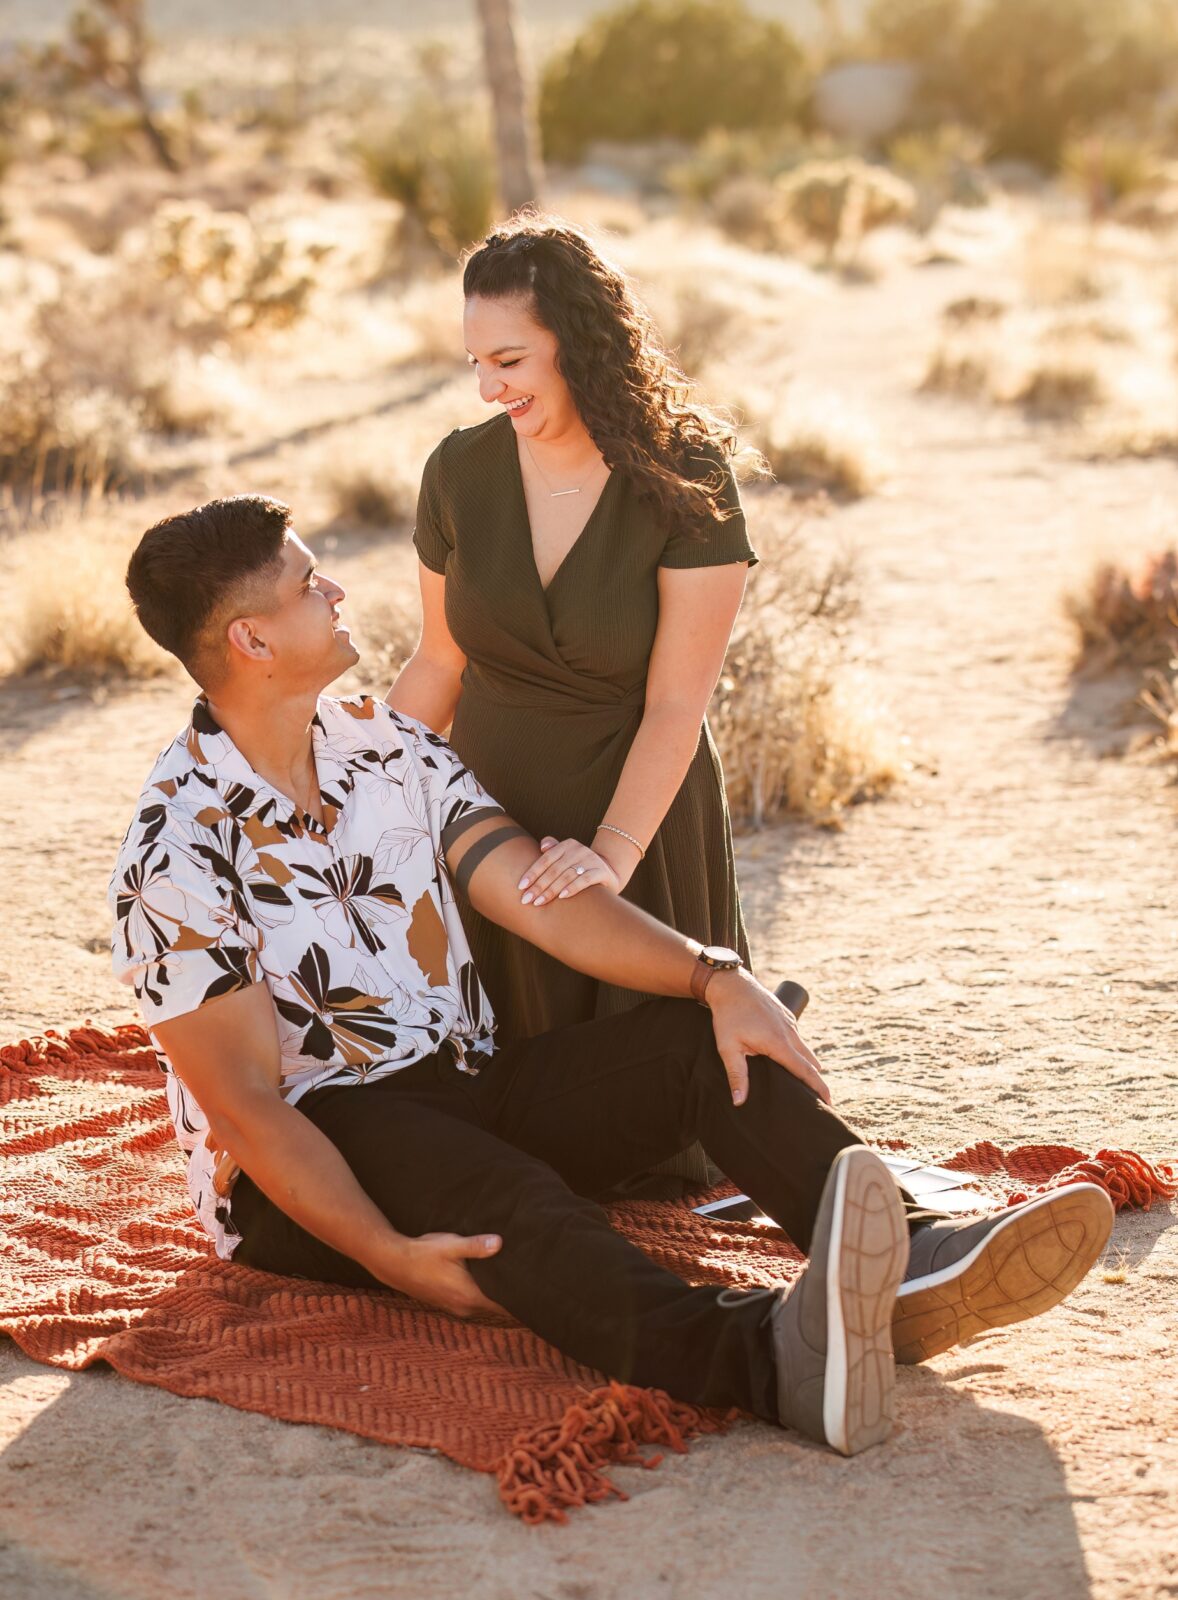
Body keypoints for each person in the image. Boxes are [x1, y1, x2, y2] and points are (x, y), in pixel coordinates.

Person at [109, 495, 1115, 1458]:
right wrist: (385, 1252)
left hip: (460, 1082)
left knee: (692, 1043)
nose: (334, 593)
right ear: (251, 639)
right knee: (517, 1201)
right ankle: (768, 1359)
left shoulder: (384, 744)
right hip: (318, 1143)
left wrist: (711, 975)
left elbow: (539, 896)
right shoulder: (174, 844)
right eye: (306, 582)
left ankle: (911, 1258)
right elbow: (246, 1107)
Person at [387, 217, 759, 1089]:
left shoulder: (685, 472)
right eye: (475, 363)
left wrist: (609, 859)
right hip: (490, 825)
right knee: (511, 1103)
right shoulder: (457, 473)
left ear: (579, 343)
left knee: (662, 1103)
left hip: (633, 821)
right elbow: (439, 662)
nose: (488, 389)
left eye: (509, 362)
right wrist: (352, 799)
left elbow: (677, 704)